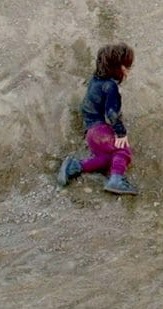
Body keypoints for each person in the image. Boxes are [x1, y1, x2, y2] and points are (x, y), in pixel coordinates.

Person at [57, 43, 139, 195]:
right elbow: (112, 113)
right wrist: (121, 133)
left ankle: (75, 166)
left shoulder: (95, 81)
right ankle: (116, 179)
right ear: (119, 67)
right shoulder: (110, 87)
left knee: (106, 158)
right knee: (123, 151)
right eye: (127, 66)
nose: (128, 70)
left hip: (91, 133)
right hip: (101, 130)